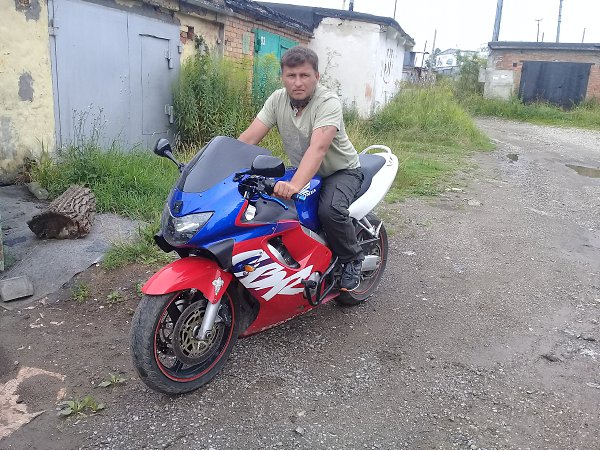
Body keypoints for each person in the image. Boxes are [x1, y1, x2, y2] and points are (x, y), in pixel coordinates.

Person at [238, 46, 364, 291]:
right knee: (269, 208)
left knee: (329, 211)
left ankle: (352, 258)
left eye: (304, 75)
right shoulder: (277, 100)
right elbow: (248, 139)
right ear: (283, 77)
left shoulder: (327, 102)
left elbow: (318, 148)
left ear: (316, 76)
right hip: (303, 169)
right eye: (291, 75)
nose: (298, 82)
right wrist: (221, 164)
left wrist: (295, 185)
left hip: (340, 171)